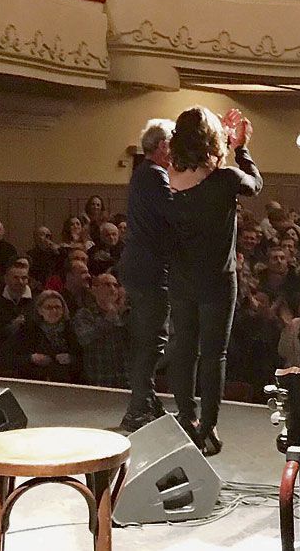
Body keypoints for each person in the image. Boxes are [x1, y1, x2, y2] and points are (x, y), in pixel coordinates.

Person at [164, 107, 261, 458]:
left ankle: (186, 416)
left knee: (184, 349)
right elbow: (255, 184)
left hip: (181, 278)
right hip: (217, 280)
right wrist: (240, 148)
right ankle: (208, 427)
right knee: (213, 355)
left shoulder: (169, 180)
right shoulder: (226, 180)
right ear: (211, 141)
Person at [116, 118, 175, 432]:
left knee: (147, 338)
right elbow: (173, 213)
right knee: (152, 341)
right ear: (163, 145)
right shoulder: (155, 175)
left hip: (139, 265)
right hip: (150, 269)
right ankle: (138, 408)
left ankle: (147, 401)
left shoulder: (143, 173)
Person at [73, 272, 129, 388]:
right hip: (99, 379)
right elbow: (84, 338)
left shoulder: (125, 314)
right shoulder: (85, 314)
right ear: (95, 290)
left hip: (126, 380)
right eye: (107, 285)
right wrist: (109, 318)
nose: (112, 289)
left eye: (115, 285)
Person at [12, 290, 77, 382]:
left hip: (67, 382)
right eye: (48, 307)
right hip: (34, 382)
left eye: (57, 307)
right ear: (40, 310)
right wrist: (31, 358)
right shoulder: (28, 330)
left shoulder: (72, 329)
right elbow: (8, 357)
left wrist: (71, 359)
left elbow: (82, 357)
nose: (54, 311)